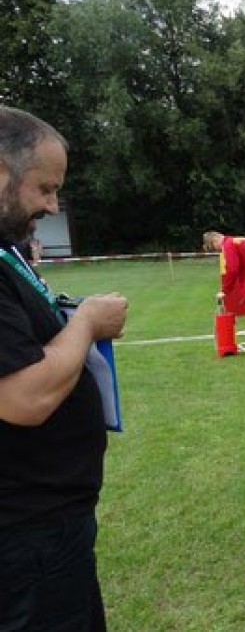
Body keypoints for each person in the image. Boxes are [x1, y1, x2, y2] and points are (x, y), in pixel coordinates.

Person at [0, 106, 129, 631]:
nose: (52, 205)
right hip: (26, 537)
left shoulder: (7, 250)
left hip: (49, 526)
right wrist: (87, 324)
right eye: (44, 188)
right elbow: (22, 397)